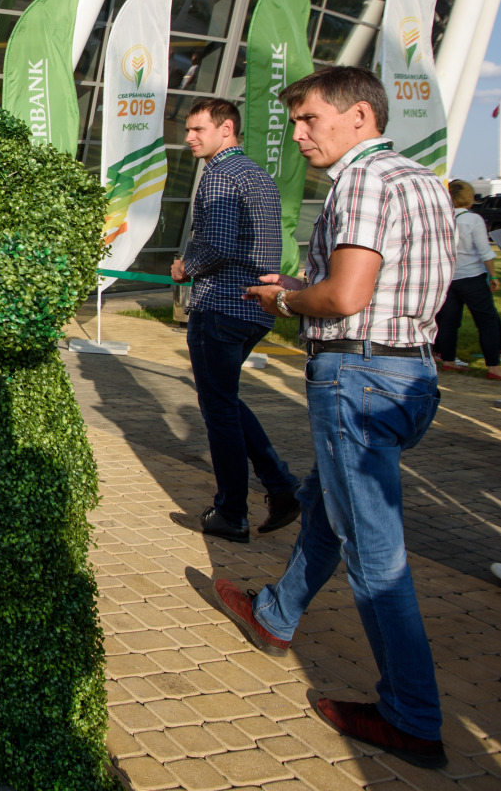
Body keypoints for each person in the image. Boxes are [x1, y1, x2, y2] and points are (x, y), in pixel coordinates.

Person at [228, 65, 453, 769]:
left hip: (356, 374)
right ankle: (275, 613)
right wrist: (302, 285)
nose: (296, 135)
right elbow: (383, 285)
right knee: (330, 504)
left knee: (374, 555)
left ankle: (410, 716)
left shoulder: (357, 180)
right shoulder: (419, 180)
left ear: (358, 117)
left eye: (307, 120)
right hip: (406, 373)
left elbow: (349, 295)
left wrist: (287, 304)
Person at [170, 98, 299, 542]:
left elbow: (219, 244)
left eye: (197, 129)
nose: (189, 137)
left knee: (218, 409)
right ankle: (281, 487)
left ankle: (232, 512)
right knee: (225, 399)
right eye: (188, 129)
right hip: (253, 309)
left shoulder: (220, 175)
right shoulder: (258, 174)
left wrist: (187, 265)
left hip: (222, 306)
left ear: (226, 129)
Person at [433, 179, 500, 377]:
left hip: (449, 278)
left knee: (448, 322)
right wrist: (494, 275)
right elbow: (485, 251)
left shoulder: (441, 218)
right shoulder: (473, 220)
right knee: (487, 321)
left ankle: (447, 359)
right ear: (469, 199)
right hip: (472, 276)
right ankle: (494, 366)